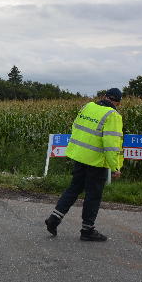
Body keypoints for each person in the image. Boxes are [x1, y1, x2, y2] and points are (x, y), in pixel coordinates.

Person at [45, 88, 124, 241]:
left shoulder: (88, 106)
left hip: (79, 156)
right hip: (96, 161)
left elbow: (76, 127)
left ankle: (54, 219)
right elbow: (111, 144)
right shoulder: (113, 115)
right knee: (93, 195)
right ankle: (87, 230)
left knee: (73, 189)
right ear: (117, 102)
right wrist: (115, 167)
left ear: (104, 96)